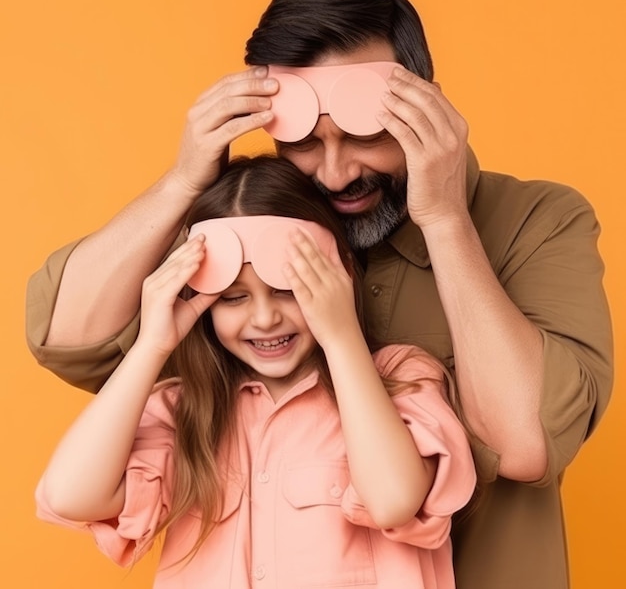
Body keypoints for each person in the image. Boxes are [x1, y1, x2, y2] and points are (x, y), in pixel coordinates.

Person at [26, 0, 613, 589]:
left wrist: (443, 217)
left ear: (427, 105)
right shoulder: (248, 236)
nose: (333, 175)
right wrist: (182, 183)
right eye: (303, 142)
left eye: (365, 134)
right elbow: (65, 339)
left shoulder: (540, 221)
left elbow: (527, 445)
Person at [35, 156, 476, 589]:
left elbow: (393, 501)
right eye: (232, 297)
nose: (264, 318)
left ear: (337, 275)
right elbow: (70, 496)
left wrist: (341, 338)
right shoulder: (185, 410)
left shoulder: (401, 376)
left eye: (287, 290)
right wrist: (151, 346)